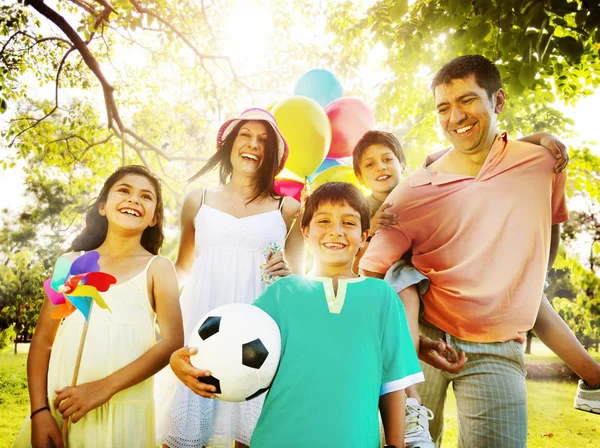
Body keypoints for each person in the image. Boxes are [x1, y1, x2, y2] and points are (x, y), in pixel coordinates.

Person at [359, 55, 600, 447]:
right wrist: (409, 345)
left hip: (497, 348)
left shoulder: (543, 164)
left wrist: (525, 283)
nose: (455, 116)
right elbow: (368, 275)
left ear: (498, 100)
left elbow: (549, 226)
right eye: (443, 107)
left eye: (467, 100)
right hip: (421, 338)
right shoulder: (415, 189)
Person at [351, 128, 572, 447]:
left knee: (534, 301)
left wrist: (540, 138)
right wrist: (369, 229)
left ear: (403, 164)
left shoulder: (430, 181)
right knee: (405, 283)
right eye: (370, 165)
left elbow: (486, 153)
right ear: (360, 176)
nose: (381, 168)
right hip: (395, 293)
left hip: (443, 292)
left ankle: (591, 376)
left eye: (387, 160)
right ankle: (408, 390)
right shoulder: (362, 208)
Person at [181, 182, 423, 447]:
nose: (336, 231)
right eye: (324, 221)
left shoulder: (382, 297)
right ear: (306, 232)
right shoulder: (282, 293)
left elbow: (392, 385)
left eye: (349, 223)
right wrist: (181, 363)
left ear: (365, 235)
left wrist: (396, 444)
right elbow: (231, 346)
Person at [156, 108, 305, 448]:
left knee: (249, 437)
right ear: (230, 143)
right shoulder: (198, 200)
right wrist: (145, 283)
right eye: (245, 136)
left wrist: (289, 271)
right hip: (201, 329)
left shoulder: (289, 209)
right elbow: (182, 267)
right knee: (182, 436)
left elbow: (300, 280)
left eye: (263, 140)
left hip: (260, 339)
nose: (253, 145)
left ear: (273, 154)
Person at [14, 165, 183, 448]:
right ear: (103, 206)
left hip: (124, 406)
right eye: (124, 191)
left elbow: (172, 341)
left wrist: (102, 389)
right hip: (63, 403)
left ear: (154, 218)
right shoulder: (68, 264)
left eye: (146, 196)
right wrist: (40, 412)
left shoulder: (159, 268)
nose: (134, 200)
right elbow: (43, 340)